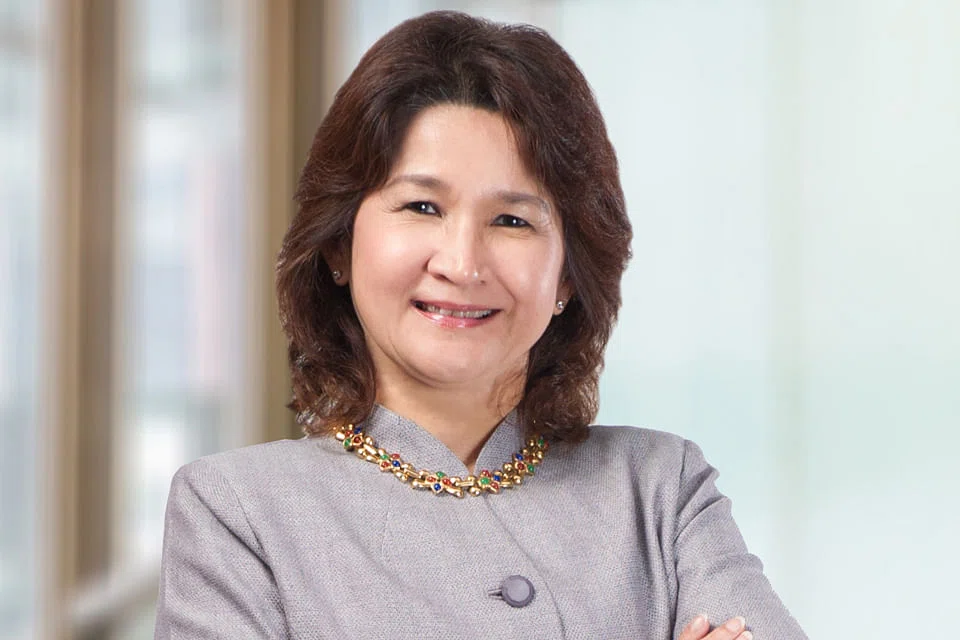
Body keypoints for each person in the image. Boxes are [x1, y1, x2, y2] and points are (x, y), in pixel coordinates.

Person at [154, 11, 806, 640]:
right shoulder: (237, 514)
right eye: (421, 206)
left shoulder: (662, 490)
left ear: (568, 276)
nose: (462, 265)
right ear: (339, 245)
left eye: (512, 221)